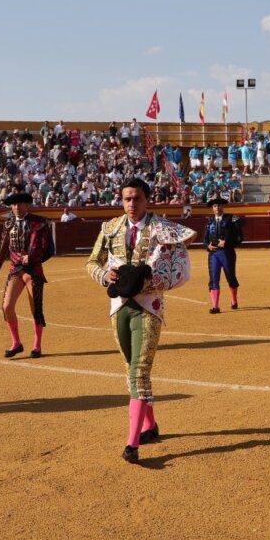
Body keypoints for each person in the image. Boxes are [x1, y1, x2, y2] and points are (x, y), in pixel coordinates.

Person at [85, 178, 196, 464]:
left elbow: (189, 239)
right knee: (130, 370)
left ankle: (132, 444)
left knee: (139, 371)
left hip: (149, 306)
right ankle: (150, 426)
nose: (131, 204)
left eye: (136, 199)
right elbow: (91, 262)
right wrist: (103, 276)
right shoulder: (110, 228)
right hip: (119, 306)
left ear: (147, 200)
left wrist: (156, 275)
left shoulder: (161, 227)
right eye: (126, 199)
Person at [0, 191, 55, 358]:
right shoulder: (8, 224)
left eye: (20, 204)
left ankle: (37, 345)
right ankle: (16, 343)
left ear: (27, 205)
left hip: (33, 270)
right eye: (13, 205)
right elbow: (2, 248)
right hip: (16, 270)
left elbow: (48, 249)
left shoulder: (39, 223)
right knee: (7, 306)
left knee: (36, 309)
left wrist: (32, 257)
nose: (16, 207)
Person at [203, 197, 242, 313]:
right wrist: (207, 246)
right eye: (215, 206)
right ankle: (215, 306)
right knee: (214, 278)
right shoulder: (210, 221)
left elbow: (240, 237)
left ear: (223, 207)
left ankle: (234, 301)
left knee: (230, 277)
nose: (217, 208)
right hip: (213, 254)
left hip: (227, 253)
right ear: (212, 208)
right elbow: (205, 238)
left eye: (219, 205)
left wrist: (227, 242)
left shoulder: (232, 219)